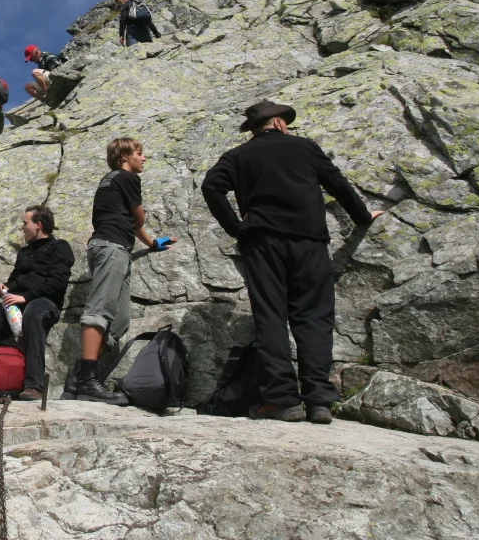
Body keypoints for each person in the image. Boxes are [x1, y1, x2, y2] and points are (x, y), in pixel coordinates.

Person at [200, 100, 384, 424]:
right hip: (309, 240)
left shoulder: (238, 157)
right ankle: (318, 400)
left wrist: (236, 228)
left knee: (271, 315)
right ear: (281, 124)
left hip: (262, 242)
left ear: (254, 128)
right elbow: (337, 183)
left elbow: (211, 186)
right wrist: (362, 216)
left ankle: (282, 400)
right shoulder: (305, 148)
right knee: (313, 316)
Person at [74, 139, 176, 404]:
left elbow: (131, 224)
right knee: (99, 312)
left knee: (118, 321)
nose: (144, 158)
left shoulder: (112, 179)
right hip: (111, 248)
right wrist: (142, 224)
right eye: (139, 153)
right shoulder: (128, 177)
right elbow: (138, 218)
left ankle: (80, 377)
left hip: (112, 247)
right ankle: (87, 381)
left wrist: (153, 243)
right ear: (124, 156)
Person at [0, 206, 74, 401]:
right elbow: (16, 279)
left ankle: (34, 386)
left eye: (25, 223)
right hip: (15, 304)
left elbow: (57, 282)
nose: (22, 227)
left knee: (33, 314)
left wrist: (26, 297)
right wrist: (6, 288)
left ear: (38, 224)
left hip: (45, 302)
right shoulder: (25, 252)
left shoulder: (59, 247)